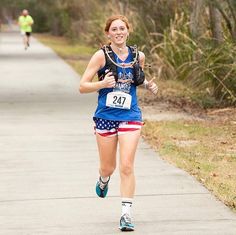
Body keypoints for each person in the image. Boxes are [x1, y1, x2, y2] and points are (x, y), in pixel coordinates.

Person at [79, 15, 158, 232]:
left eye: (122, 28)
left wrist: (148, 86)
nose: (119, 32)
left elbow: (138, 78)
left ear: (128, 31)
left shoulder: (138, 56)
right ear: (108, 33)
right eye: (114, 29)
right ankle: (103, 180)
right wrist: (102, 83)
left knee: (126, 165)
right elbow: (82, 86)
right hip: (105, 116)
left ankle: (126, 214)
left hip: (130, 116)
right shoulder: (100, 56)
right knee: (109, 167)